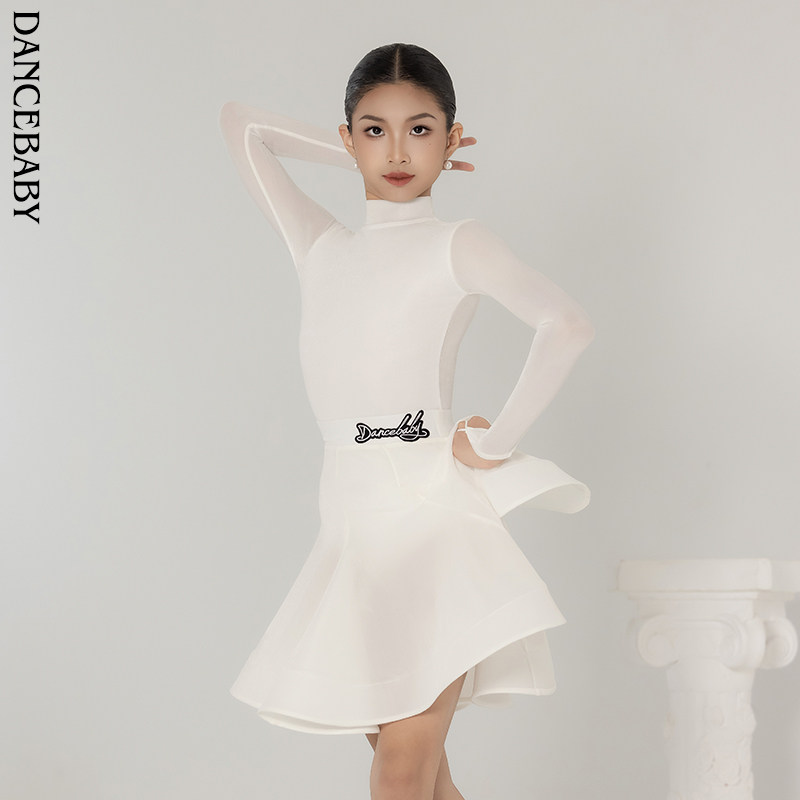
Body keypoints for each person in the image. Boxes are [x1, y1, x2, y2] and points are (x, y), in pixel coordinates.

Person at [218, 42, 594, 800]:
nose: (397, 152)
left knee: (400, 771)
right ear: (348, 136)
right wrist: (363, 151)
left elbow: (566, 325)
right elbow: (241, 125)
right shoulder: (320, 245)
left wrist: (495, 443)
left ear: (452, 139)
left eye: (420, 130)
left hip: (428, 516)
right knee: (424, 778)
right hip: (350, 526)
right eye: (375, 130)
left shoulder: (458, 243)